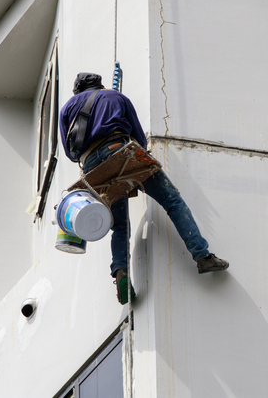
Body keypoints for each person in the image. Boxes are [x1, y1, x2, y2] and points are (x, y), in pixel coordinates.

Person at [59, 72, 229, 304]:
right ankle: (202, 256)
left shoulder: (68, 108)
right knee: (172, 201)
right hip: (120, 150)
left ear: (77, 90)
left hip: (93, 170)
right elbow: (138, 136)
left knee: (119, 225)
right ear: (99, 84)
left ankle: (121, 271)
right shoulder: (115, 96)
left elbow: (70, 153)